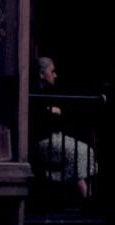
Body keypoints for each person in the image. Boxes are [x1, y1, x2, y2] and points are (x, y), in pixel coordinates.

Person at [33, 56, 96, 199]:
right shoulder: (34, 92)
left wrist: (55, 112)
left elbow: (61, 115)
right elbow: (41, 118)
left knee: (87, 151)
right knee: (80, 152)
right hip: (43, 141)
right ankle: (85, 196)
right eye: (52, 71)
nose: (55, 75)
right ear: (42, 74)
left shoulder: (51, 92)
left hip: (56, 137)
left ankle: (86, 194)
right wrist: (51, 112)